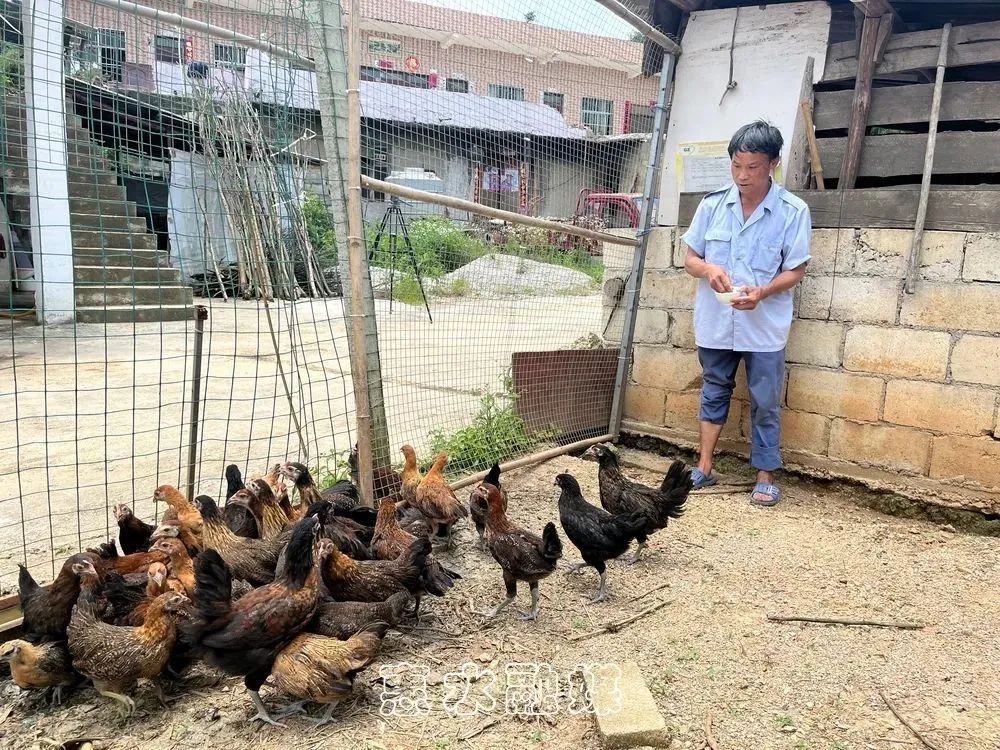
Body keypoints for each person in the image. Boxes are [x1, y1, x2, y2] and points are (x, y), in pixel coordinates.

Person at [681, 120, 811, 506]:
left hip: (764, 325)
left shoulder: (792, 211)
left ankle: (766, 474)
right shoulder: (712, 205)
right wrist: (708, 269)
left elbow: (797, 270)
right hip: (716, 320)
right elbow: (690, 258)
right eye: (736, 166)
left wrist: (764, 291)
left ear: (772, 163)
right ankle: (704, 466)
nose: (742, 175)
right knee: (713, 389)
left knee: (765, 397)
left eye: (752, 167)